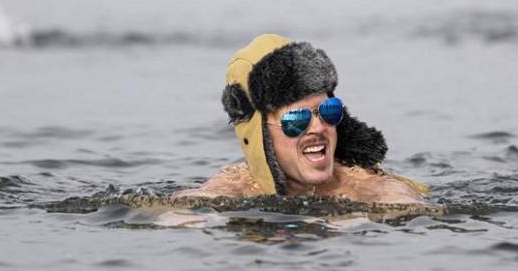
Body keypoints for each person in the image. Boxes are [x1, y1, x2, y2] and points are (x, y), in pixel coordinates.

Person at [175, 34, 426, 203]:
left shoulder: (364, 186)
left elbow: (407, 208)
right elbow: (176, 217)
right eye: (296, 118)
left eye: (329, 111)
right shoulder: (231, 187)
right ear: (259, 134)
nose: (318, 127)